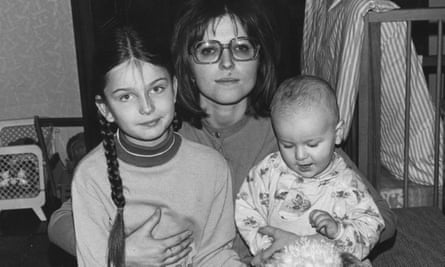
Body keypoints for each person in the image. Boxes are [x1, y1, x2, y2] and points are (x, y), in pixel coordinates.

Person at [48, 0, 396, 264]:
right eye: (209, 50)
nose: (227, 64)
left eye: (242, 48)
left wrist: (311, 241)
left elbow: (382, 218)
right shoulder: (161, 131)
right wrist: (123, 252)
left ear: (260, 58)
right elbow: (63, 219)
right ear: (185, 62)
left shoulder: (292, 132)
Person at [70, 25, 243, 266]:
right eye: (126, 96)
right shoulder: (90, 177)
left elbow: (215, 254)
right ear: (105, 108)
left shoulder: (211, 166)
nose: (147, 107)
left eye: (157, 89)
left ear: (174, 89)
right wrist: (119, 257)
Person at [235, 75, 385, 265]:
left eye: (312, 144)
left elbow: (372, 225)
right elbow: (246, 206)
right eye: (287, 145)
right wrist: (266, 245)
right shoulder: (269, 170)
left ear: (337, 134)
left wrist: (339, 232)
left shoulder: (347, 182)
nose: (300, 156)